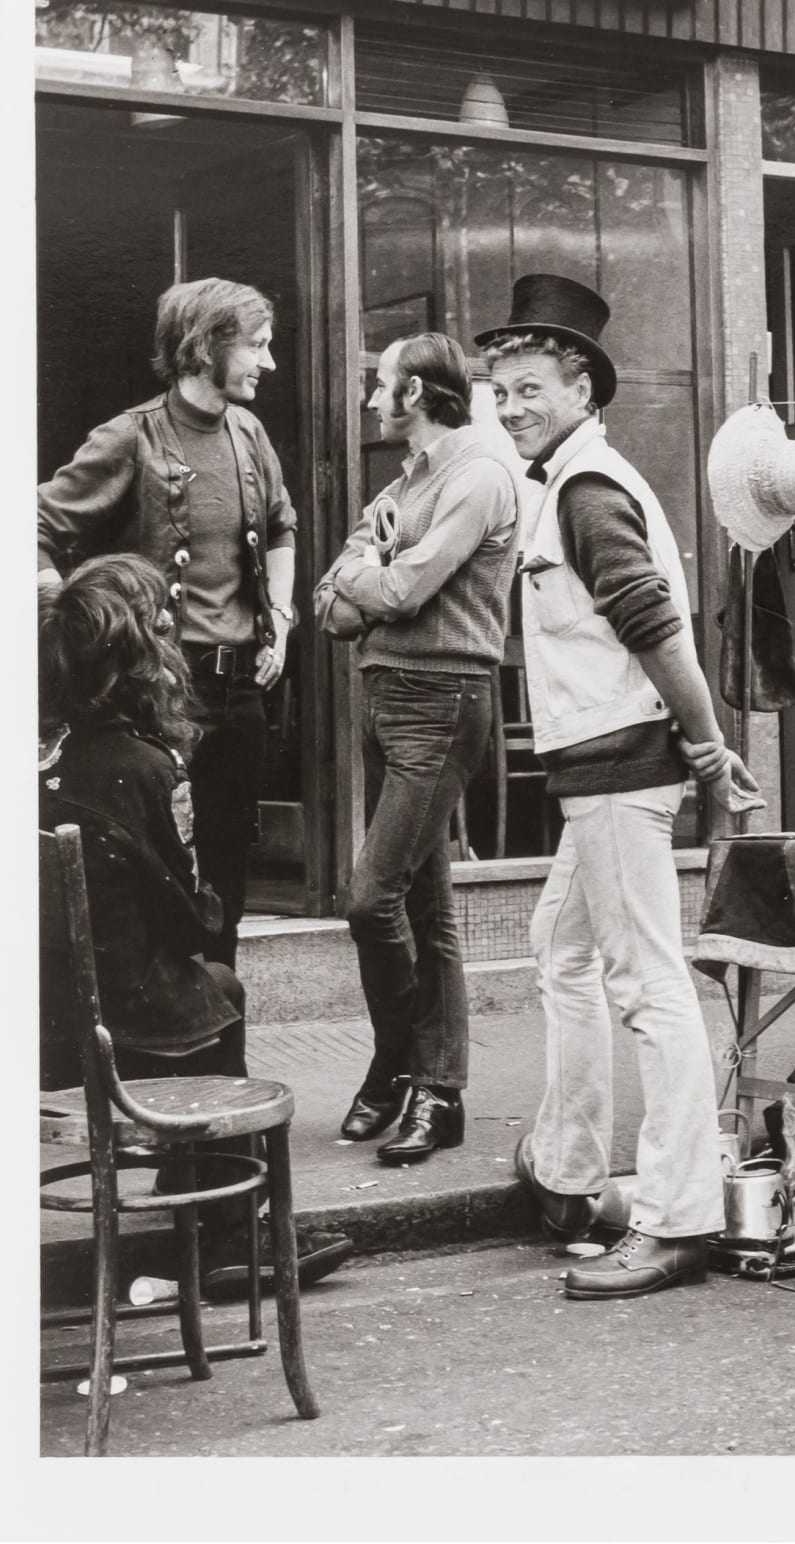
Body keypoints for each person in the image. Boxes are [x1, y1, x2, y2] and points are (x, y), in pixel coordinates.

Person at [478, 273, 762, 1301]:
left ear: (583, 391)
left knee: (649, 983)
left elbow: (654, 628)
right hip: (597, 769)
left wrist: (706, 744)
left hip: (618, 769)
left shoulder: (589, 491)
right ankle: (568, 1170)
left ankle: (679, 1214)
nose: (512, 406)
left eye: (532, 389)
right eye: (500, 390)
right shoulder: (564, 482)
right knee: (561, 950)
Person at [38, 554, 349, 1296]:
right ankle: (230, 1230)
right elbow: (192, 919)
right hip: (124, 1023)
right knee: (219, 984)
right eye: (161, 630)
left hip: (41, 1025)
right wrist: (206, 907)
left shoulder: (41, 762)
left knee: (202, 986)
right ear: (135, 664)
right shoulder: (145, 767)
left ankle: (202, 1205)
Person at [36, 277, 298, 972]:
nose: (268, 363)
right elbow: (32, 525)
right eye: (258, 346)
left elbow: (281, 530)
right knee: (157, 869)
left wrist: (281, 613)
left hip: (239, 692)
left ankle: (218, 1033)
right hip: (156, 698)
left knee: (226, 870)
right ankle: (157, 1042)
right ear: (206, 345)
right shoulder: (129, 437)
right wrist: (72, 620)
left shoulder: (249, 432)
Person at [315, 333, 519, 1164]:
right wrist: (367, 581)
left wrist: (370, 574)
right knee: (425, 909)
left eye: (381, 385)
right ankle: (434, 1089)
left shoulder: (478, 474)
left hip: (443, 697)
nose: (371, 399)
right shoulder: (403, 483)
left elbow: (399, 586)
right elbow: (330, 607)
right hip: (385, 693)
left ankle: (402, 1063)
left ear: (420, 393)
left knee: (372, 898)